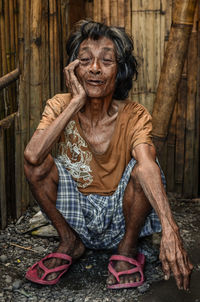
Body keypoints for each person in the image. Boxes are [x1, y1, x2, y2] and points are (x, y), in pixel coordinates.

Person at [24, 20, 193, 289]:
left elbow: (149, 166)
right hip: (76, 212)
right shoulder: (59, 105)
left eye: (106, 60)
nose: (94, 68)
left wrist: (170, 228)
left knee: (146, 167)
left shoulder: (134, 114)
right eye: (85, 60)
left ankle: (126, 248)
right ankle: (70, 241)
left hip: (119, 216)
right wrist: (75, 103)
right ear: (73, 69)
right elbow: (32, 156)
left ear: (120, 71)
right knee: (37, 164)